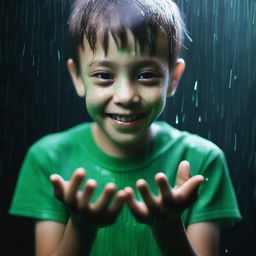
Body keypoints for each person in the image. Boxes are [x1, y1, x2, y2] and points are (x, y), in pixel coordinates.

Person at [9, 0, 241, 255]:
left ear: (173, 78)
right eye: (105, 76)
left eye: (146, 75)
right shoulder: (48, 159)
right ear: (78, 79)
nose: (126, 96)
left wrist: (168, 229)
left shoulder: (203, 161)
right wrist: (82, 228)